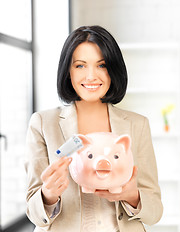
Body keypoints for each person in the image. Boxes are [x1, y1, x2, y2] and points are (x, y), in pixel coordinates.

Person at [25, 25, 163, 232]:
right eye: (80, 66)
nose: (91, 76)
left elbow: (155, 212)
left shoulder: (137, 125)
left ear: (114, 69)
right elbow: (33, 212)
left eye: (102, 65)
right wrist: (48, 194)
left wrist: (132, 196)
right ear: (67, 71)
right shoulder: (44, 124)